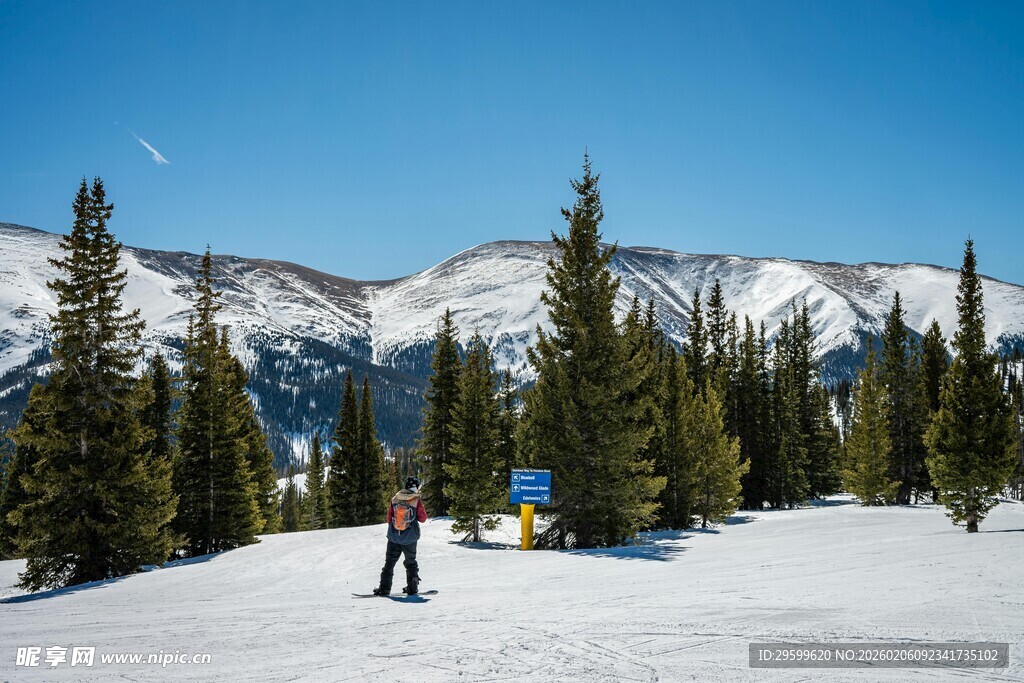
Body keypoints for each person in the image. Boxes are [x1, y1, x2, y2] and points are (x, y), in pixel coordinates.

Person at [373, 476, 428, 596]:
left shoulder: (395, 498)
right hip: (410, 538)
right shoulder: (415, 500)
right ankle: (412, 588)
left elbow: (389, 518)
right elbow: (423, 519)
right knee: (411, 562)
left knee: (389, 562)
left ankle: (384, 588)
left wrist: (396, 529)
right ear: (416, 487)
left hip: (394, 537)